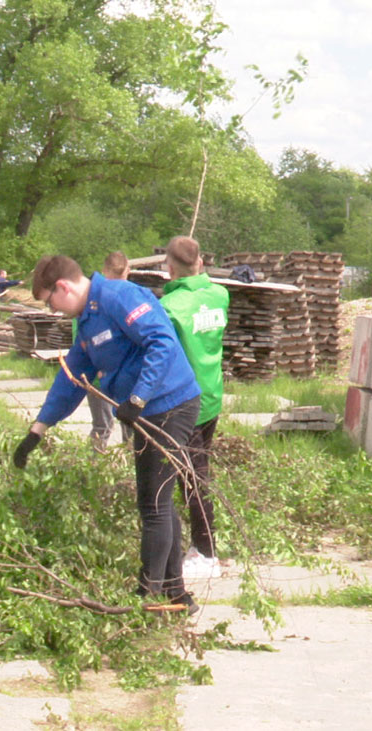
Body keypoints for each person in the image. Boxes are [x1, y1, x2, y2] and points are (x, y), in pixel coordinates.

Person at [12, 255, 202, 614]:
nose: (52, 310)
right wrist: (37, 431)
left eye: (49, 301)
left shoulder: (119, 297)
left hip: (171, 404)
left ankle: (146, 596)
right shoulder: (87, 322)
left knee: (153, 502)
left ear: (63, 287)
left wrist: (138, 396)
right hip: (146, 410)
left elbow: (161, 343)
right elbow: (72, 380)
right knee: (157, 500)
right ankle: (177, 594)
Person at [159, 236, 230, 580]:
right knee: (197, 472)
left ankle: (206, 552)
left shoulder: (170, 307)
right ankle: (202, 546)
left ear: (169, 269)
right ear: (201, 263)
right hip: (213, 394)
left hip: (185, 403)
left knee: (193, 478)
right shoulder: (220, 295)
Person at [88, 251, 130, 450]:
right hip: (111, 374)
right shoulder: (96, 301)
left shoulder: (91, 299)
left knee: (106, 425)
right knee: (125, 425)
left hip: (110, 374)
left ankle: (96, 467)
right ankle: (129, 469)